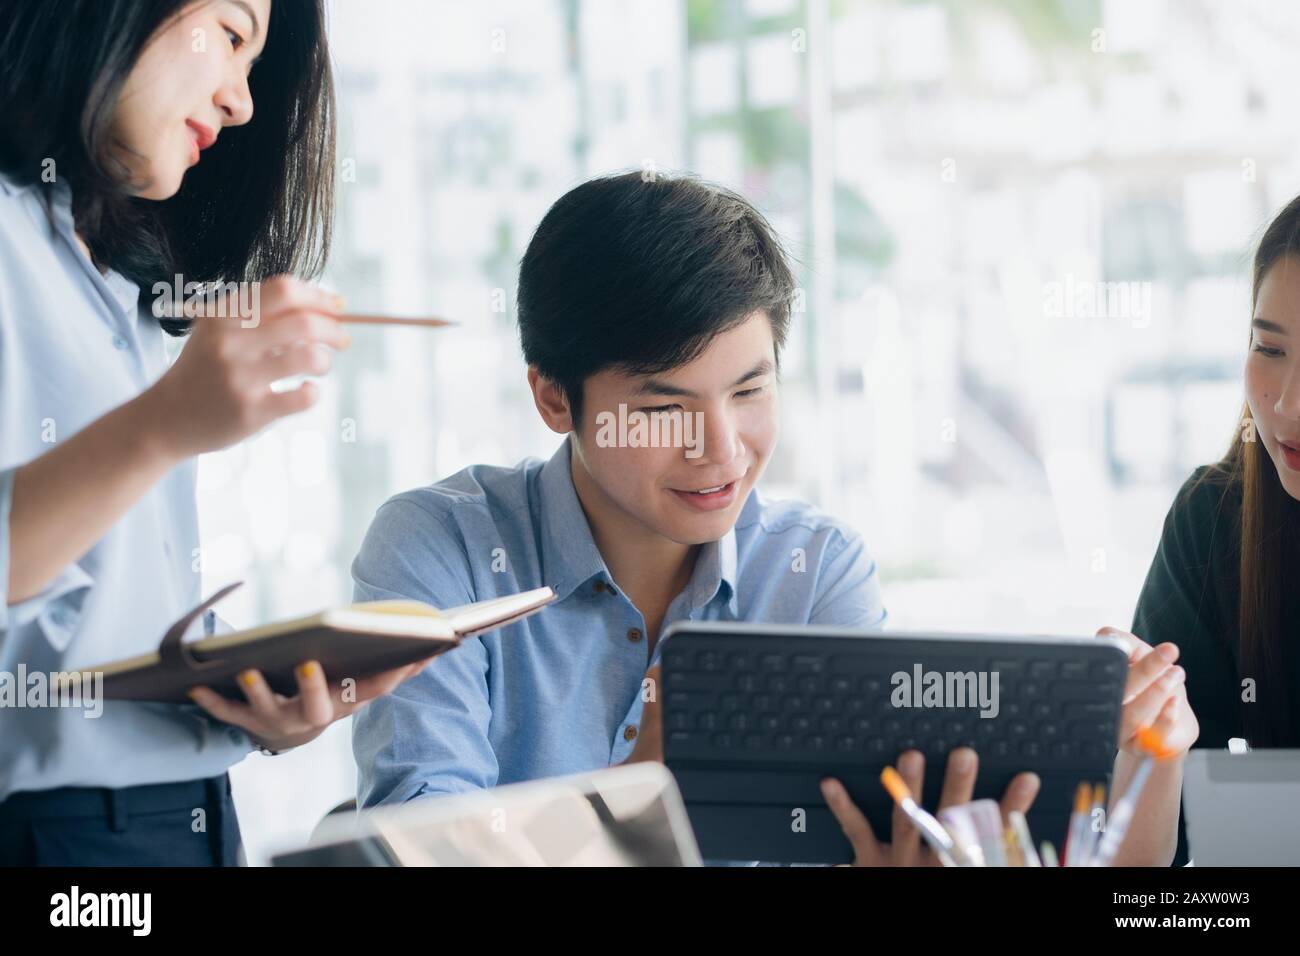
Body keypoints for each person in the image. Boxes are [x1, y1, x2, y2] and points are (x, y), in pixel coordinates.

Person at [350, 171, 1047, 863]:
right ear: (555, 398)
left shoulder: (812, 575)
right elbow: (421, 855)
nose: (720, 449)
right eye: (663, 410)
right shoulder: (444, 549)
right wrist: (630, 801)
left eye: (749, 391)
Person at [0, 0, 429, 866]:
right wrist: (162, 427)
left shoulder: (109, 277)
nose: (242, 103)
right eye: (232, 37)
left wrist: (261, 714)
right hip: (56, 833)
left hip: (191, 814)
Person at [1105, 193, 1300, 866]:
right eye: (1269, 348)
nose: (1289, 403)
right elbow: (1154, 883)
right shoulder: (1216, 523)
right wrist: (1148, 754)